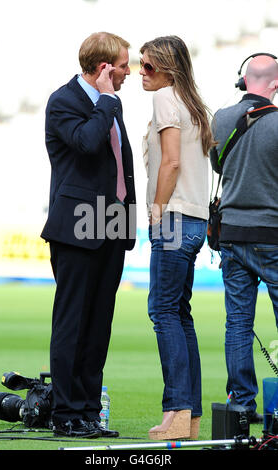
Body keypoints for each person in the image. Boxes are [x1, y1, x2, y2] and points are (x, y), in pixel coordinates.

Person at [41, 32, 136, 438]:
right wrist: (106, 102)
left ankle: (88, 413)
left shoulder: (107, 104)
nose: (129, 72)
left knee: (98, 326)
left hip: (110, 226)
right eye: (124, 65)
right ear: (104, 69)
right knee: (72, 323)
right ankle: (66, 414)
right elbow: (86, 144)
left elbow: (119, 166)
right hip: (78, 227)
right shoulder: (65, 101)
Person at [140, 36, 214, 440]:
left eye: (148, 66)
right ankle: (191, 416)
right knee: (179, 314)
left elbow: (170, 163)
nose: (141, 73)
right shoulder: (193, 104)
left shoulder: (166, 98)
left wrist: (156, 211)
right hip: (195, 219)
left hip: (173, 217)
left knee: (162, 312)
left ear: (169, 68)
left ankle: (177, 410)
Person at [210, 54, 278, 422]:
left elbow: (218, 164)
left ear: (243, 80)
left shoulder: (221, 118)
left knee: (237, 323)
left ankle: (241, 405)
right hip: (273, 234)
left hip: (233, 234)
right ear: (275, 83)